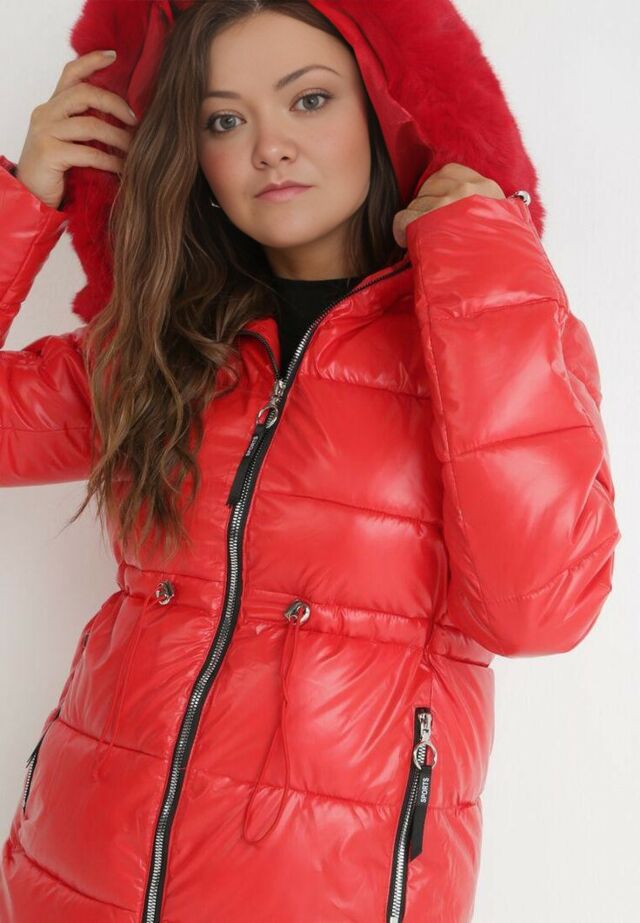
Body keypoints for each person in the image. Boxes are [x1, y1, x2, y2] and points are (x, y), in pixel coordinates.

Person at [0, 1, 621, 921]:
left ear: (383, 112)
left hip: (330, 892)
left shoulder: (486, 332)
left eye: (310, 100)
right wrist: (24, 199)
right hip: (74, 878)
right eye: (224, 119)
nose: (269, 147)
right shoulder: (162, 350)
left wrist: (485, 262)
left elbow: (541, 611)